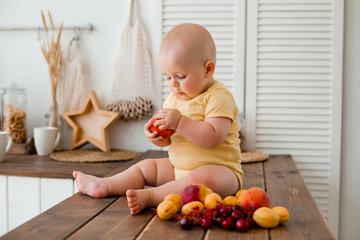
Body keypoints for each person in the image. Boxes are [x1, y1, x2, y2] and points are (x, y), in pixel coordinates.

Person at [73, 23, 243, 215]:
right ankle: (104, 184)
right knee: (147, 166)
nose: (174, 85)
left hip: (221, 173)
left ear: (208, 69)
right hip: (179, 168)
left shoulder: (218, 96)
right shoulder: (174, 99)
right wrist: (158, 136)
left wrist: (179, 122)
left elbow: (213, 137)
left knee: (200, 179)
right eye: (168, 77)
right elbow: (170, 137)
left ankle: (152, 197)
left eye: (180, 76)